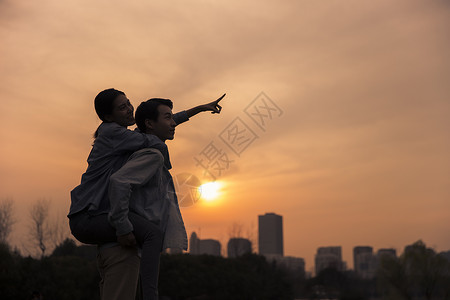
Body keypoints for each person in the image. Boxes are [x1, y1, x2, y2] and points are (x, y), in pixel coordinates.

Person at [68, 88, 224, 299]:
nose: (129, 108)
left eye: (129, 103)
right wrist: (123, 229)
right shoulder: (114, 134)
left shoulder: (126, 137)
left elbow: (157, 126)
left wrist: (197, 110)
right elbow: (150, 138)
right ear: (107, 116)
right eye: (122, 107)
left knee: (149, 234)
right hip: (88, 215)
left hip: (95, 214)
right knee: (152, 234)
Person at [107, 98, 200, 299]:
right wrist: (123, 227)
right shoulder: (152, 154)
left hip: (133, 231)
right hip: (128, 233)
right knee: (154, 238)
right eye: (167, 118)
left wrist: (198, 109)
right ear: (149, 124)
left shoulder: (139, 138)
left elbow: (167, 121)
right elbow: (119, 182)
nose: (173, 123)